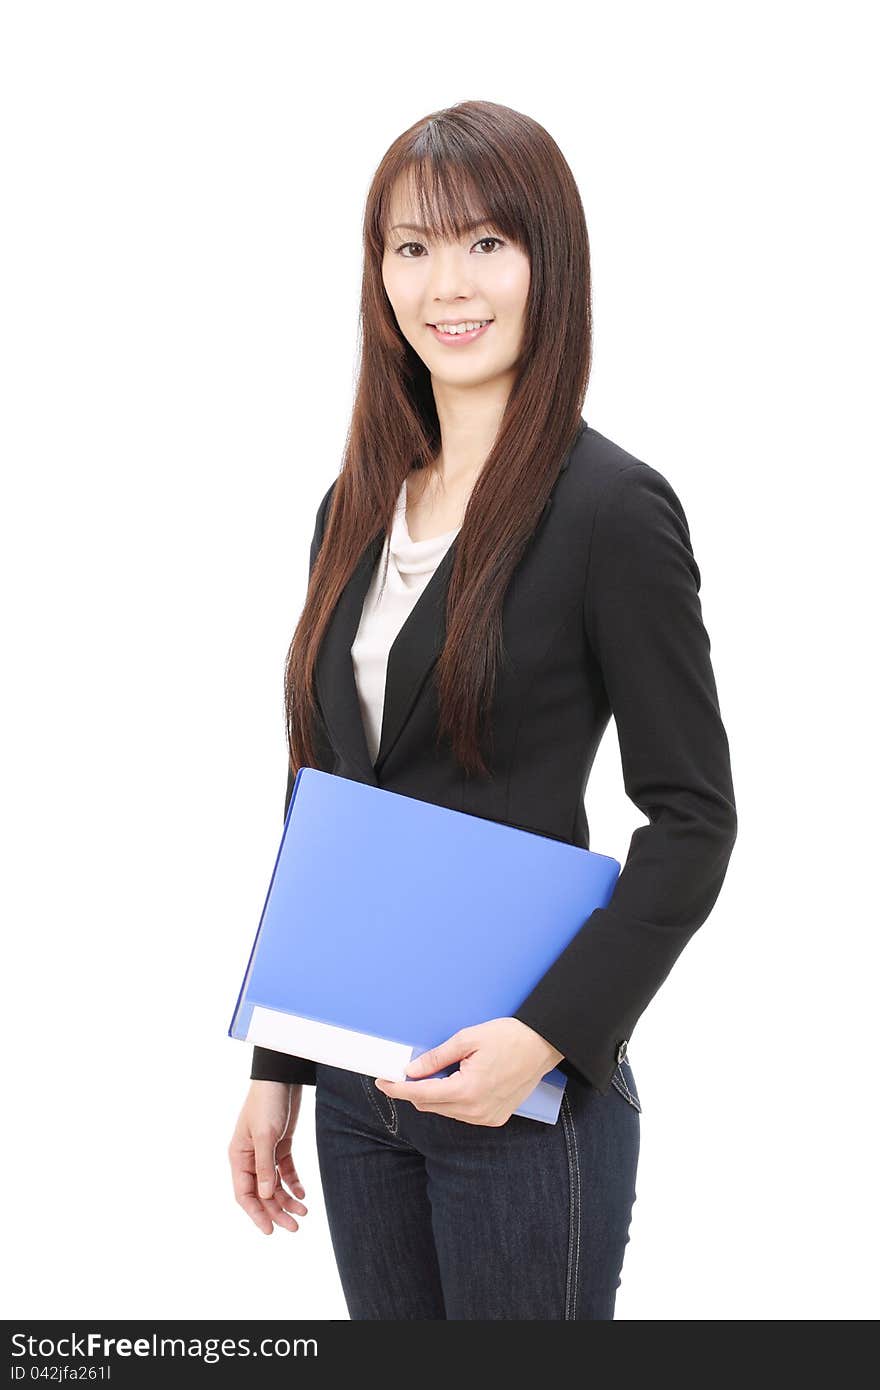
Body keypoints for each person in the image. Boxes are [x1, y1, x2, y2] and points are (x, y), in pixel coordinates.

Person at [228, 99, 737, 1320]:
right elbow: (325, 805)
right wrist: (281, 1063)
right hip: (361, 1087)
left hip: (519, 1088)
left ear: (546, 260)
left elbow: (693, 819)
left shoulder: (613, 508)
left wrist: (547, 1035)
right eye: (411, 246)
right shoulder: (356, 503)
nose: (445, 283)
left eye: (485, 243)